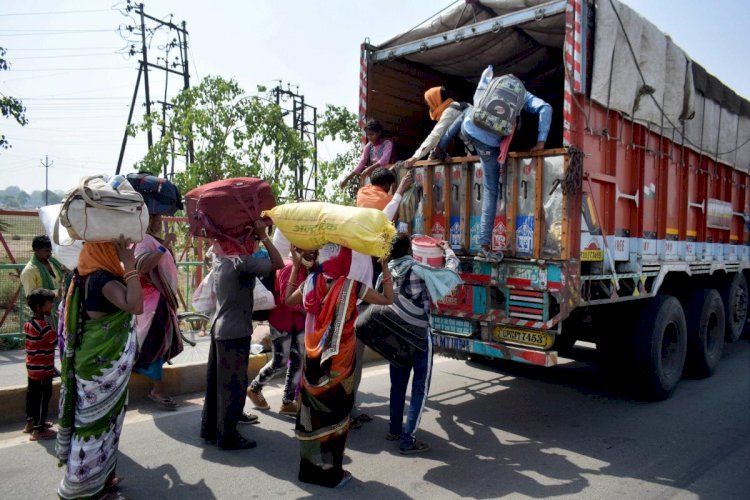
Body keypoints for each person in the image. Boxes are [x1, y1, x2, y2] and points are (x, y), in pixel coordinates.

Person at [285, 244, 394, 488]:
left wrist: (295, 266)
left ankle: (309, 471)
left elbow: (287, 300)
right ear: (345, 260)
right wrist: (384, 266)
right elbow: (388, 299)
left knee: (313, 416)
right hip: (339, 364)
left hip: (312, 362)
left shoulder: (311, 282)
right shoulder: (352, 286)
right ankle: (332, 474)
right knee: (336, 417)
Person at [431, 65, 553, 261]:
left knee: (465, 111)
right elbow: (546, 108)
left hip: (470, 127)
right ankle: (484, 245)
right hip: (490, 144)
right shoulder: (524, 95)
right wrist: (540, 142)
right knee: (490, 190)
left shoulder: (492, 81)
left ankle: (439, 149)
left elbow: (476, 100)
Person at [57, 237, 144, 499]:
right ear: (103, 251)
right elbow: (136, 305)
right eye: (113, 249)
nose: (118, 253)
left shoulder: (80, 276)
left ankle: (102, 479)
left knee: (103, 423)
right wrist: (130, 266)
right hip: (100, 368)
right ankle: (83, 488)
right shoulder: (102, 280)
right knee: (94, 428)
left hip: (92, 362)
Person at [200, 221, 284, 451]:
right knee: (233, 386)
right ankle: (228, 436)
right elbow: (277, 263)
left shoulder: (221, 258)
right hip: (235, 330)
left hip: (220, 327)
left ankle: (211, 429)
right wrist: (264, 236)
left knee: (218, 385)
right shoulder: (241, 262)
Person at [377, 233, 460, 454]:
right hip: (420, 335)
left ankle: (394, 430)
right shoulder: (417, 270)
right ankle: (407, 440)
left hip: (395, 338)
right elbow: (448, 275)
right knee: (419, 389)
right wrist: (448, 251)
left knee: (397, 385)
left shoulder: (384, 274)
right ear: (409, 251)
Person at [348, 170, 412, 427]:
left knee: (350, 363)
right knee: (352, 363)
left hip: (352, 303)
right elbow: (386, 298)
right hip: (354, 307)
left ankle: (348, 410)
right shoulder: (364, 247)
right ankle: (345, 413)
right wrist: (397, 192)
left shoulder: (361, 198)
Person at [247, 246, 318, 417]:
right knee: (280, 361)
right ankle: (254, 388)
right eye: (309, 250)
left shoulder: (309, 269)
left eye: (315, 251)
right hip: (282, 322)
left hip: (299, 323)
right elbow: (287, 301)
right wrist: (307, 311)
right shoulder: (288, 268)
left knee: (298, 361)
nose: (312, 253)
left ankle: (287, 401)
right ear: (297, 249)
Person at [133, 215, 184, 410]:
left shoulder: (151, 239)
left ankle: (157, 386)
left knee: (160, 344)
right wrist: (165, 246)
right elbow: (142, 267)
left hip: (161, 300)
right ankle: (158, 389)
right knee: (155, 344)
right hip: (152, 301)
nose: (160, 221)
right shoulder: (143, 240)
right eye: (156, 218)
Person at [23, 288, 58, 441]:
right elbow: (55, 340)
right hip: (43, 370)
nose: (51, 307)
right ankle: (39, 429)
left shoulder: (29, 324)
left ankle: (30, 423)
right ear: (39, 307)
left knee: (32, 395)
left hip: (32, 368)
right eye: (49, 304)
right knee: (43, 397)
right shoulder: (44, 326)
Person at [404, 86, 468, 165]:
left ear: (436, 101)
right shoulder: (460, 106)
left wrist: (415, 158)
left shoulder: (450, 111)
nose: (430, 109)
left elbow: (435, 135)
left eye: (430, 105)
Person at [21, 235, 66, 330]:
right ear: (36, 250)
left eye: (50, 250)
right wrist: (57, 293)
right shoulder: (29, 271)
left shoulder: (53, 262)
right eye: (47, 251)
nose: (50, 253)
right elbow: (31, 297)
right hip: (44, 313)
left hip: (60, 308)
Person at [339, 119, 395, 189]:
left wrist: (368, 169)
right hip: (375, 174)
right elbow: (361, 164)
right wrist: (346, 179)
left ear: (379, 132)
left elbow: (384, 161)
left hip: (387, 172)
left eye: (372, 134)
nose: (369, 137)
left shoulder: (387, 143)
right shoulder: (368, 146)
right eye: (368, 135)